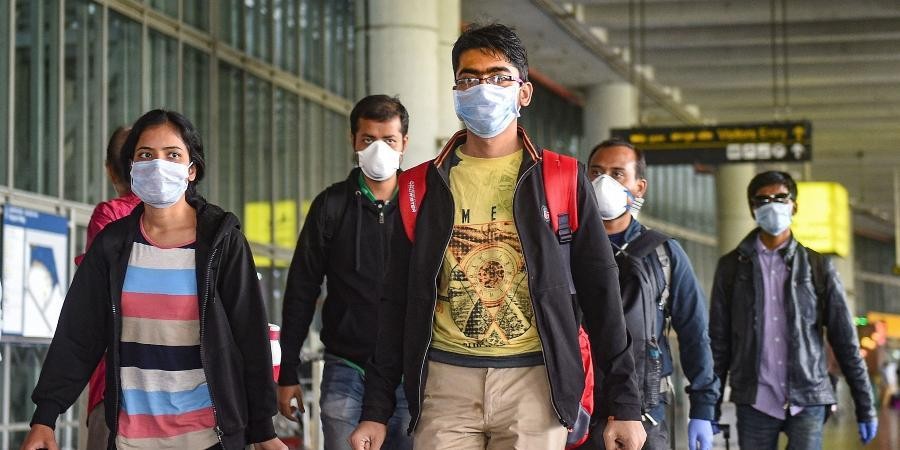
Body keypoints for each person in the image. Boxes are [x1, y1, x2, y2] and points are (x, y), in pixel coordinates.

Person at [349, 23, 645, 450]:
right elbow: (396, 302)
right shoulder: (419, 187)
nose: (483, 89)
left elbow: (602, 296)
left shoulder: (561, 178)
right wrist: (376, 410)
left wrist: (625, 404)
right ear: (455, 93)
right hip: (444, 386)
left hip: (536, 386)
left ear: (523, 93)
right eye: (469, 79)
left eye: (500, 77)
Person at [21, 109, 286, 450]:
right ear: (132, 167)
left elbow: (249, 335)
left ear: (192, 169)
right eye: (146, 155)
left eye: (172, 155)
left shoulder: (222, 240)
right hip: (132, 438)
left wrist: (263, 430)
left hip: (208, 437)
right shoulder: (114, 245)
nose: (158, 164)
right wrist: (46, 415)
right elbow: (78, 333)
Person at [278, 95, 412, 450]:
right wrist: (287, 371)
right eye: (368, 139)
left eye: (389, 140)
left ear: (404, 145)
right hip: (345, 367)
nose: (378, 149)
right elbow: (302, 289)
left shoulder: (422, 206)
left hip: (408, 370)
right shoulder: (331, 206)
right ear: (354, 140)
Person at [710, 170, 878, 450]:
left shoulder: (818, 267)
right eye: (762, 200)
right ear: (752, 209)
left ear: (794, 206)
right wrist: (708, 406)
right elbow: (719, 343)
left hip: (808, 398)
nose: (771, 205)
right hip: (755, 400)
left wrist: (865, 405)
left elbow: (844, 339)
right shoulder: (731, 268)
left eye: (780, 198)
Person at [585, 140, 719, 450]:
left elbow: (695, 333)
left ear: (639, 186)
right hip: (579, 412)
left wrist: (703, 407)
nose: (603, 182)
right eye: (596, 172)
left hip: (647, 412)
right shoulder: (565, 249)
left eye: (618, 174)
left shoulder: (663, 254)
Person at [75, 125, 142, 450]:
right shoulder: (188, 221)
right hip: (181, 395)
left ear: (109, 169)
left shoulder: (110, 216)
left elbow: (94, 303)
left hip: (113, 388)